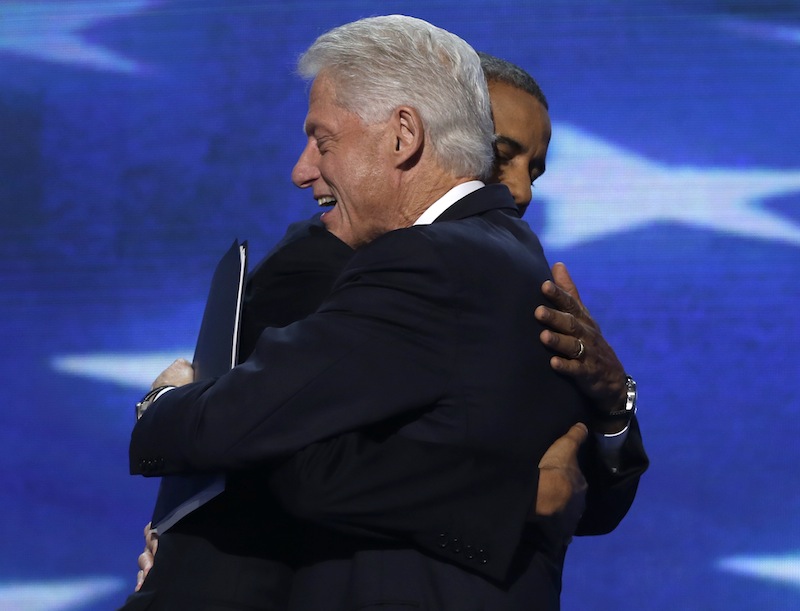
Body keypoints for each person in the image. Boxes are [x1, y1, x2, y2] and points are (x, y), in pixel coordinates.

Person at [123, 20, 646, 610]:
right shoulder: (497, 269)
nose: (519, 190)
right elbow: (284, 457)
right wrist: (519, 493)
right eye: (501, 155)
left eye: (325, 141)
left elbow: (262, 445)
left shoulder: (432, 262)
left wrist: (162, 403)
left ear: (405, 135)